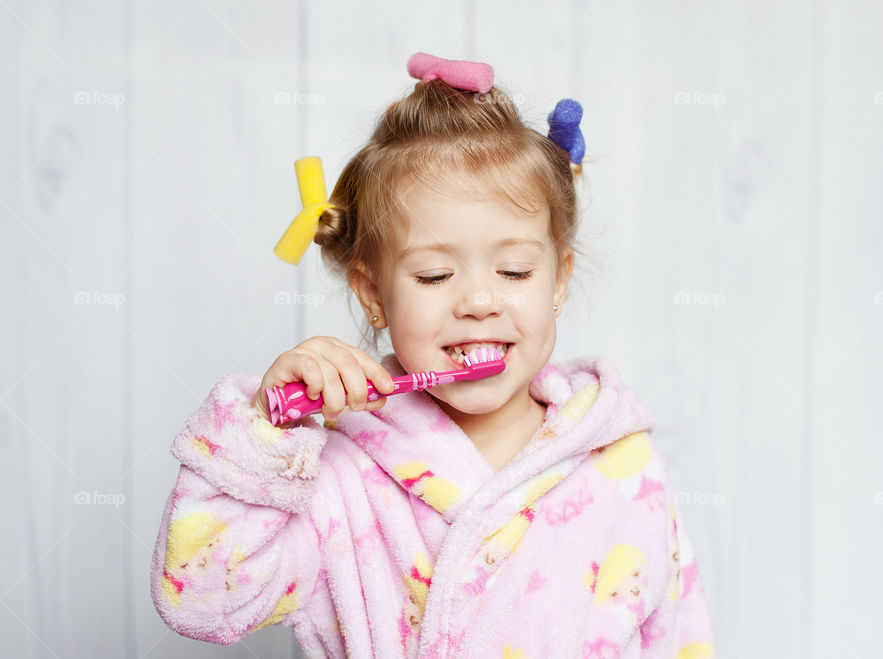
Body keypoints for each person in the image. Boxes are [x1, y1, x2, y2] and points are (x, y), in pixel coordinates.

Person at [150, 52, 717, 658]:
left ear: (558, 280)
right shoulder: (336, 476)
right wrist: (265, 431)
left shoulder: (623, 466)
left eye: (514, 269)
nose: (478, 300)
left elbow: (680, 641)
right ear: (373, 293)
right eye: (434, 275)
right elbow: (202, 600)